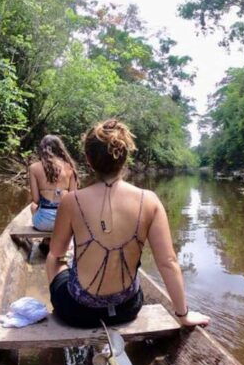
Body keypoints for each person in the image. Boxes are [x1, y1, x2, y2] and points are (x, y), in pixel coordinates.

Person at [45, 119, 211, 328]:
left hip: (78, 312)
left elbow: (56, 252)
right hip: (127, 309)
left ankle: (58, 310)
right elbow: (168, 262)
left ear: (88, 159)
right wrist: (183, 315)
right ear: (125, 158)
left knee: (53, 259)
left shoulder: (71, 201)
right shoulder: (149, 200)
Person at [28, 135, 79, 232]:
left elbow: (36, 200)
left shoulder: (33, 168)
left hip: (42, 224)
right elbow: (74, 199)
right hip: (64, 223)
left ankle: (47, 239)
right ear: (60, 149)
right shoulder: (70, 167)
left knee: (33, 207)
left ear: (42, 149)